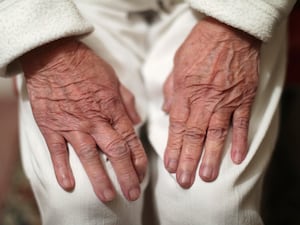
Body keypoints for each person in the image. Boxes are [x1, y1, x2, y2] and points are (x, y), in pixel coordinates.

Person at [0, 0, 296, 224]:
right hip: (71, 8)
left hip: (217, 8)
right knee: (84, 201)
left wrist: (237, 21)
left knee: (211, 203)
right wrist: (39, 43)